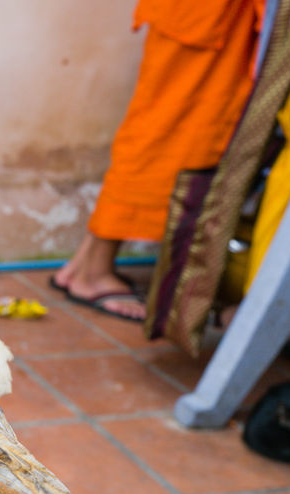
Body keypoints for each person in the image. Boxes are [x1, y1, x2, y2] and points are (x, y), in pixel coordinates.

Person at [52, 0, 265, 321]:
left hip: (209, 15)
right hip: (208, 14)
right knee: (166, 134)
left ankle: (86, 265)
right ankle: (91, 273)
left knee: (163, 128)